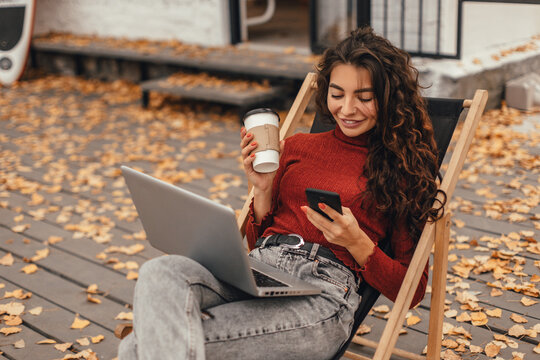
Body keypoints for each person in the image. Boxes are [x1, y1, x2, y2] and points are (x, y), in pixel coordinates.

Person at [118, 26, 444, 360]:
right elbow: (258, 239)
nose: (347, 109)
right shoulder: (296, 146)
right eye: (336, 94)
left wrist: (357, 243)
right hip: (259, 271)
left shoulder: (402, 169)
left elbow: (411, 289)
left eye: (364, 97)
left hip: (322, 297)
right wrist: (261, 189)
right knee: (159, 272)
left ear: (389, 96)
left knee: (135, 348)